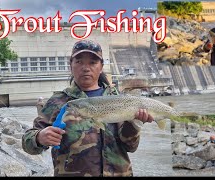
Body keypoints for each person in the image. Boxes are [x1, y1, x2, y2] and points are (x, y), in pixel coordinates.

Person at [22, 40, 154, 177]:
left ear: (101, 66)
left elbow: (130, 147)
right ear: (71, 65)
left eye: (92, 62)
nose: (85, 68)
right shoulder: (58, 101)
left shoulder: (119, 100)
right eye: (79, 62)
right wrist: (39, 138)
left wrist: (134, 124)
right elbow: (28, 144)